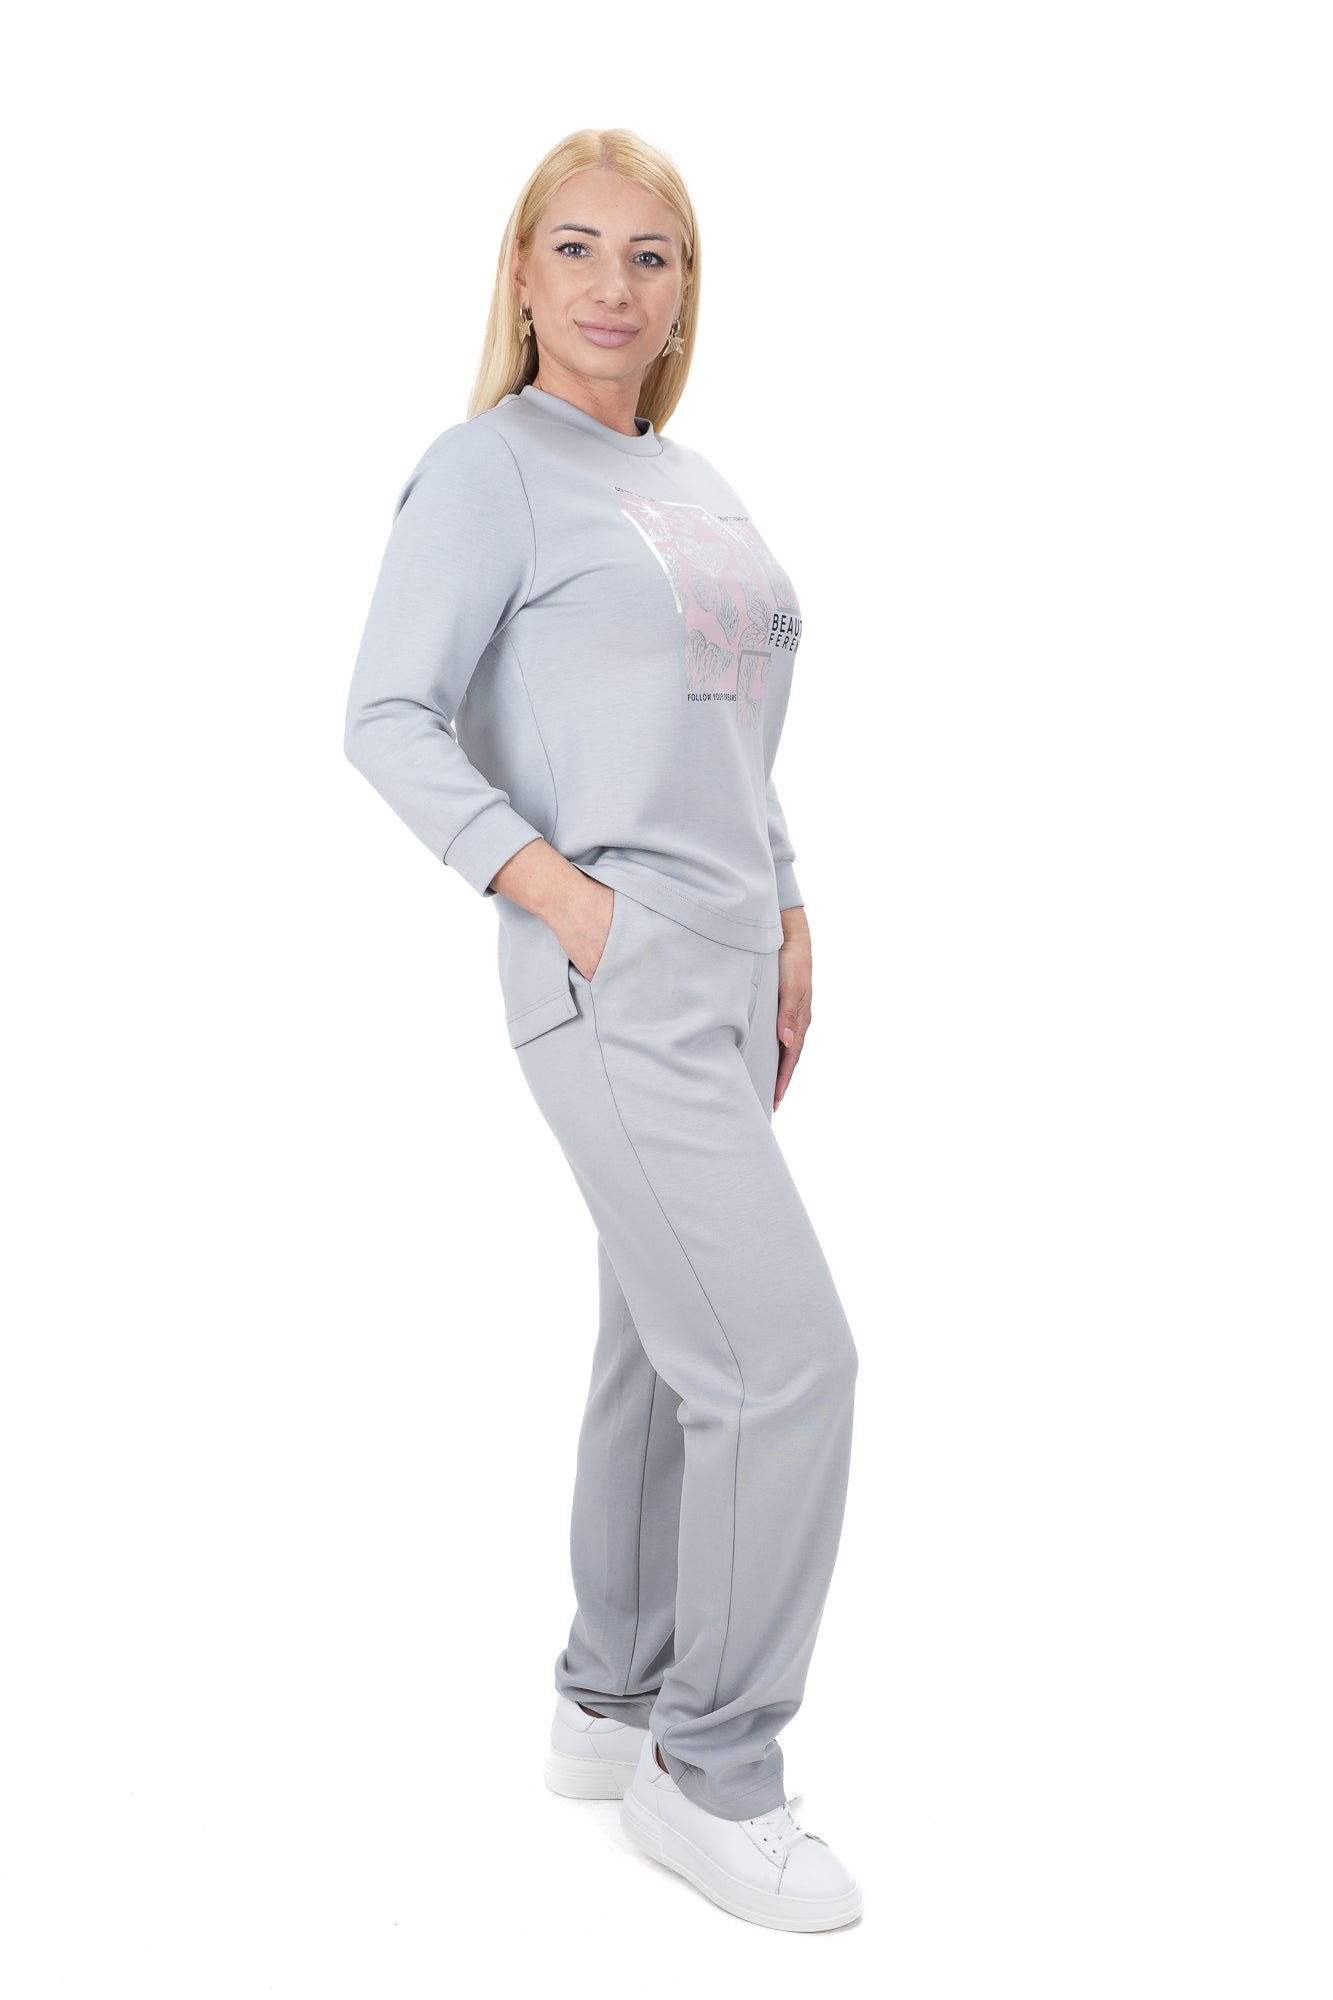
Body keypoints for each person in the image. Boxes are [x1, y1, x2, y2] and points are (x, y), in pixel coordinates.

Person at [343, 126, 862, 1933]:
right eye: (573, 248)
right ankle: (714, 1772)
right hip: (614, 968)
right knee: (785, 1365)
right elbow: (387, 715)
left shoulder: (691, 479)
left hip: (727, 962)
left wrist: (784, 908)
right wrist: (564, 901)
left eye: (649, 255)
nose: (610, 285)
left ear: (685, 288)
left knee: (666, 1337)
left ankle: (610, 1696)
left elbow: (730, 733)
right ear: (518, 272)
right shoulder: (486, 469)